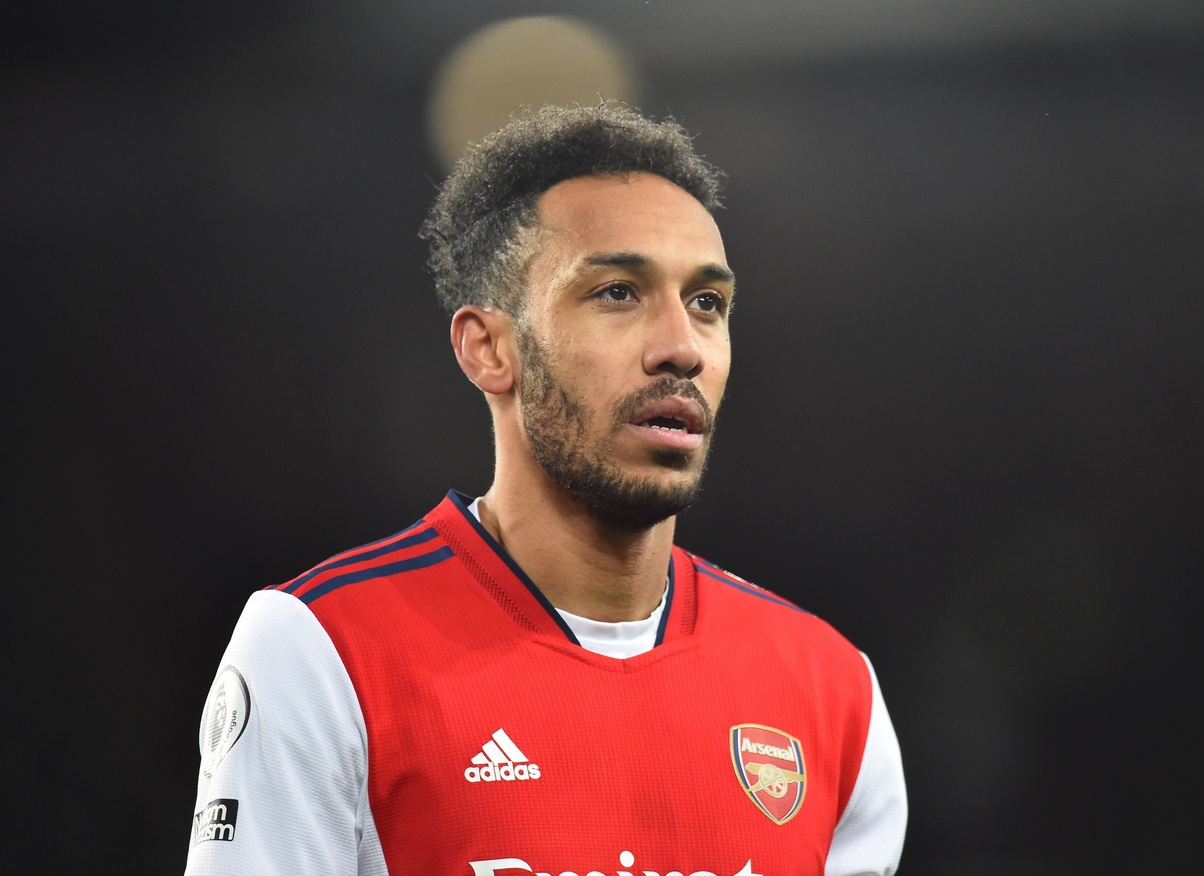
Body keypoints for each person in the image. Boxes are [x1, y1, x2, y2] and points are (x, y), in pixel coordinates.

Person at [184, 102, 907, 876]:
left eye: (707, 303)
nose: (682, 348)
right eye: (617, 293)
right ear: (489, 350)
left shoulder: (834, 691)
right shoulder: (322, 650)